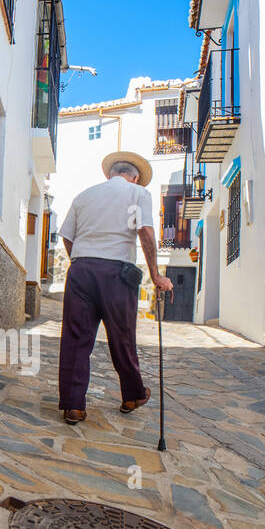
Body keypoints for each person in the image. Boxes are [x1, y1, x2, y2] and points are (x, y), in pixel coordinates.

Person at [56, 150, 172, 424]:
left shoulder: (83, 196)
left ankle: (73, 405)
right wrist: (155, 275)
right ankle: (132, 395)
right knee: (122, 336)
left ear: (110, 174)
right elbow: (145, 232)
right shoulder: (138, 194)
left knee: (76, 339)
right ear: (134, 177)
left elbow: (67, 237)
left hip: (81, 271)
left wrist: (82, 263)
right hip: (117, 274)